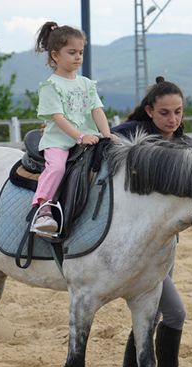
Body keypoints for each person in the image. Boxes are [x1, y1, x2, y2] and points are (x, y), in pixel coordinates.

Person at [112, 76, 192, 367]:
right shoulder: (132, 134)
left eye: (179, 111)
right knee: (175, 313)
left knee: (152, 314)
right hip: (136, 244)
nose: (173, 119)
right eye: (165, 112)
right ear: (149, 111)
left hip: (167, 245)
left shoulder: (187, 145)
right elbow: (100, 140)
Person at [31, 21, 115, 234]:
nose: (78, 57)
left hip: (90, 137)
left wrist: (107, 135)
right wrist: (80, 136)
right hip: (59, 140)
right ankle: (43, 209)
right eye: (72, 52)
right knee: (57, 168)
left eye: (81, 52)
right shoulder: (51, 86)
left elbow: (97, 110)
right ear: (55, 56)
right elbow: (58, 118)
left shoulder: (87, 84)